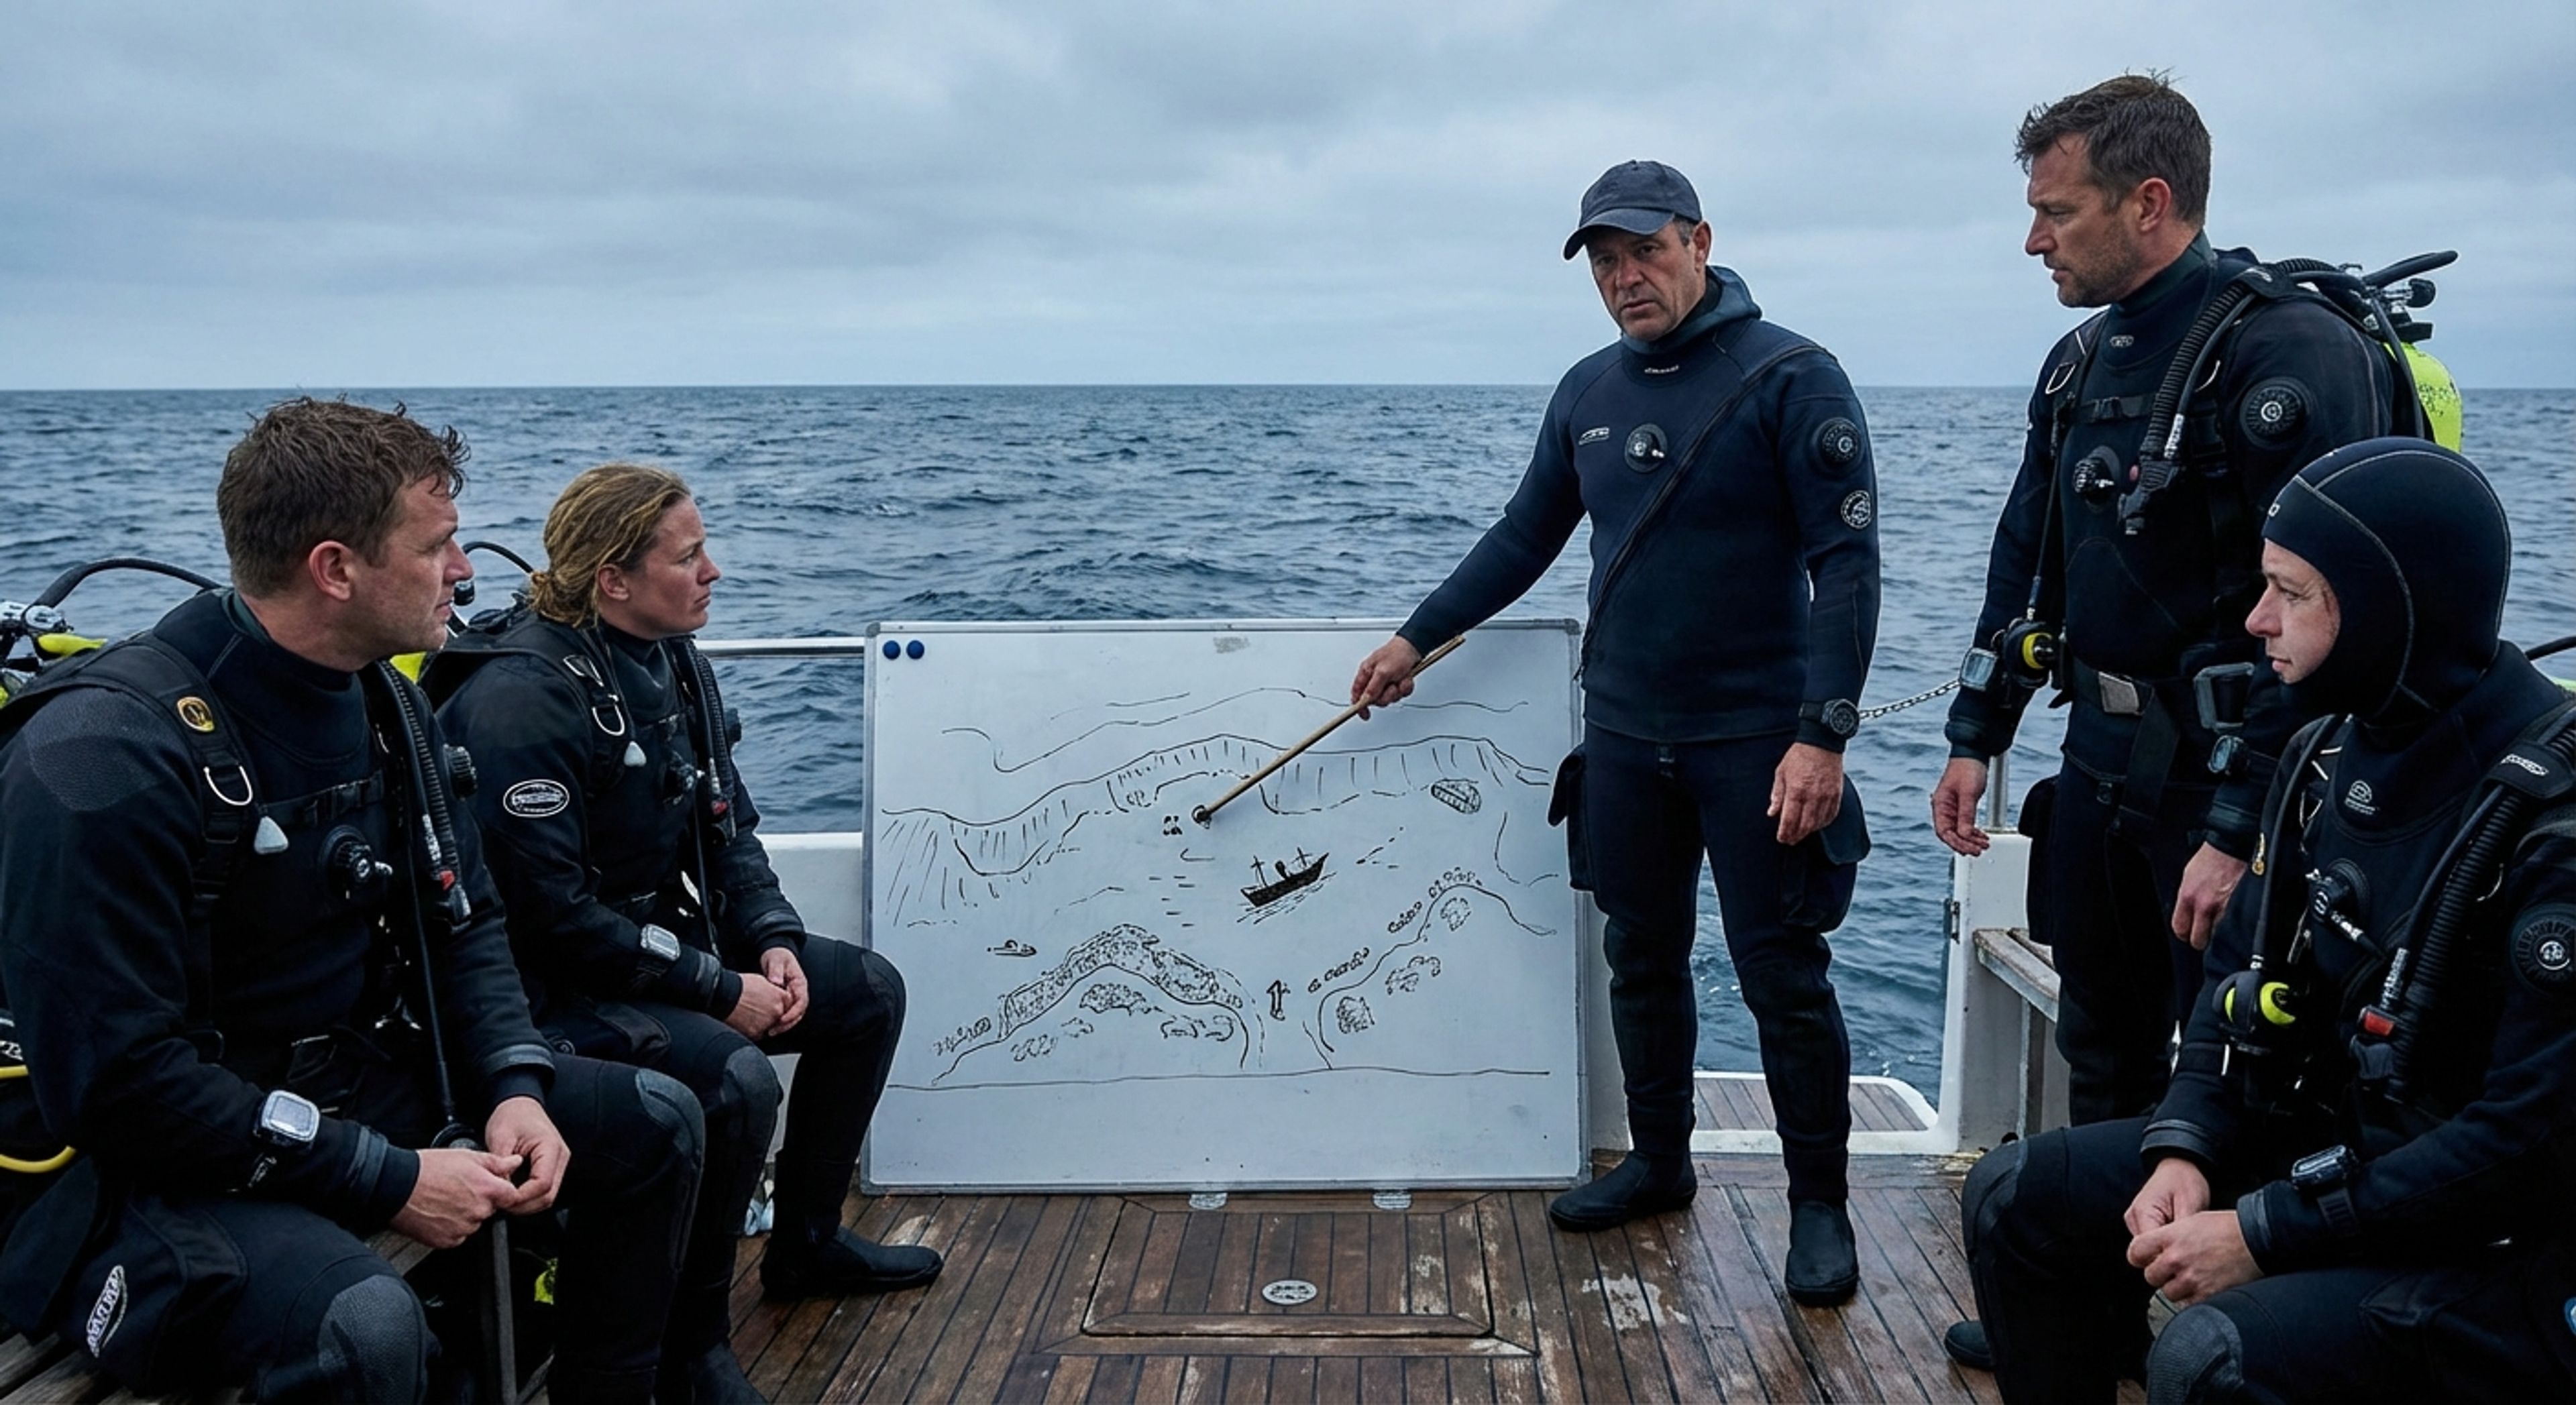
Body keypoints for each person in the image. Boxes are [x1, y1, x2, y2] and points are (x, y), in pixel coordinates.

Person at [0, 400, 703, 1404]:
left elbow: (466, 920)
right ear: (335, 569)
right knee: (364, 1327)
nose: (464, 570)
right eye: (437, 545)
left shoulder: (389, 702)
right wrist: (385, 1176)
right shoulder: (104, 758)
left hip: (354, 1078)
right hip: (152, 1162)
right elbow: (120, 1085)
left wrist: (513, 1082)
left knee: (655, 1122)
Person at [1350, 160, 1880, 1303]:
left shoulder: (1793, 376)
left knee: (1782, 975)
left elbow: (1846, 564)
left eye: (1645, 250)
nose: (1625, 277)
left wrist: (1823, 736)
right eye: (1604, 261)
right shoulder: (1587, 389)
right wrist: (1414, 640)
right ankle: (1658, 1162)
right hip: (1630, 734)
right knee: (1639, 956)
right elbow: (1522, 537)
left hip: (1758, 742)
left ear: (1700, 242)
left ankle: (1819, 1207)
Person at [1958, 438, 2576, 1402]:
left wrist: (2268, 1231)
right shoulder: (2325, 755)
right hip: (2345, 1151)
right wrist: (2188, 1143)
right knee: (2016, 1195)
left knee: (2214, 1359)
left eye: (2292, 593)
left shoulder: (2549, 828)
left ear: (2391, 610)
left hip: (2503, 1236)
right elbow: (2233, 979)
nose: (2256, 620)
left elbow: (2526, 1145)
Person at [1933, 76, 2398, 1126]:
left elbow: (2329, 619)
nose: (2035, 242)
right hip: (2099, 762)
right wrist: (1975, 735)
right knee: (2100, 1051)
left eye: (2058, 214)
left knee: (2241, 1067)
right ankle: (2101, 1238)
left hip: (2231, 779)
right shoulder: (2078, 366)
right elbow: (2025, 561)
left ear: (2149, 202)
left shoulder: (2287, 351)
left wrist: (2237, 830)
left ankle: (2211, 1244)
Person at [425, 464, 939, 1402]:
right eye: (689, 555)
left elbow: (727, 827)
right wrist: (717, 989)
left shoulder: (675, 661)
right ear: (613, 579)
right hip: (555, 990)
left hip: (659, 945)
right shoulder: (521, 701)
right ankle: (691, 1348)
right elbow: (550, 918)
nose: (714, 571)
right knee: (735, 1082)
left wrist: (773, 938)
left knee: (865, 993)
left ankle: (806, 1244)